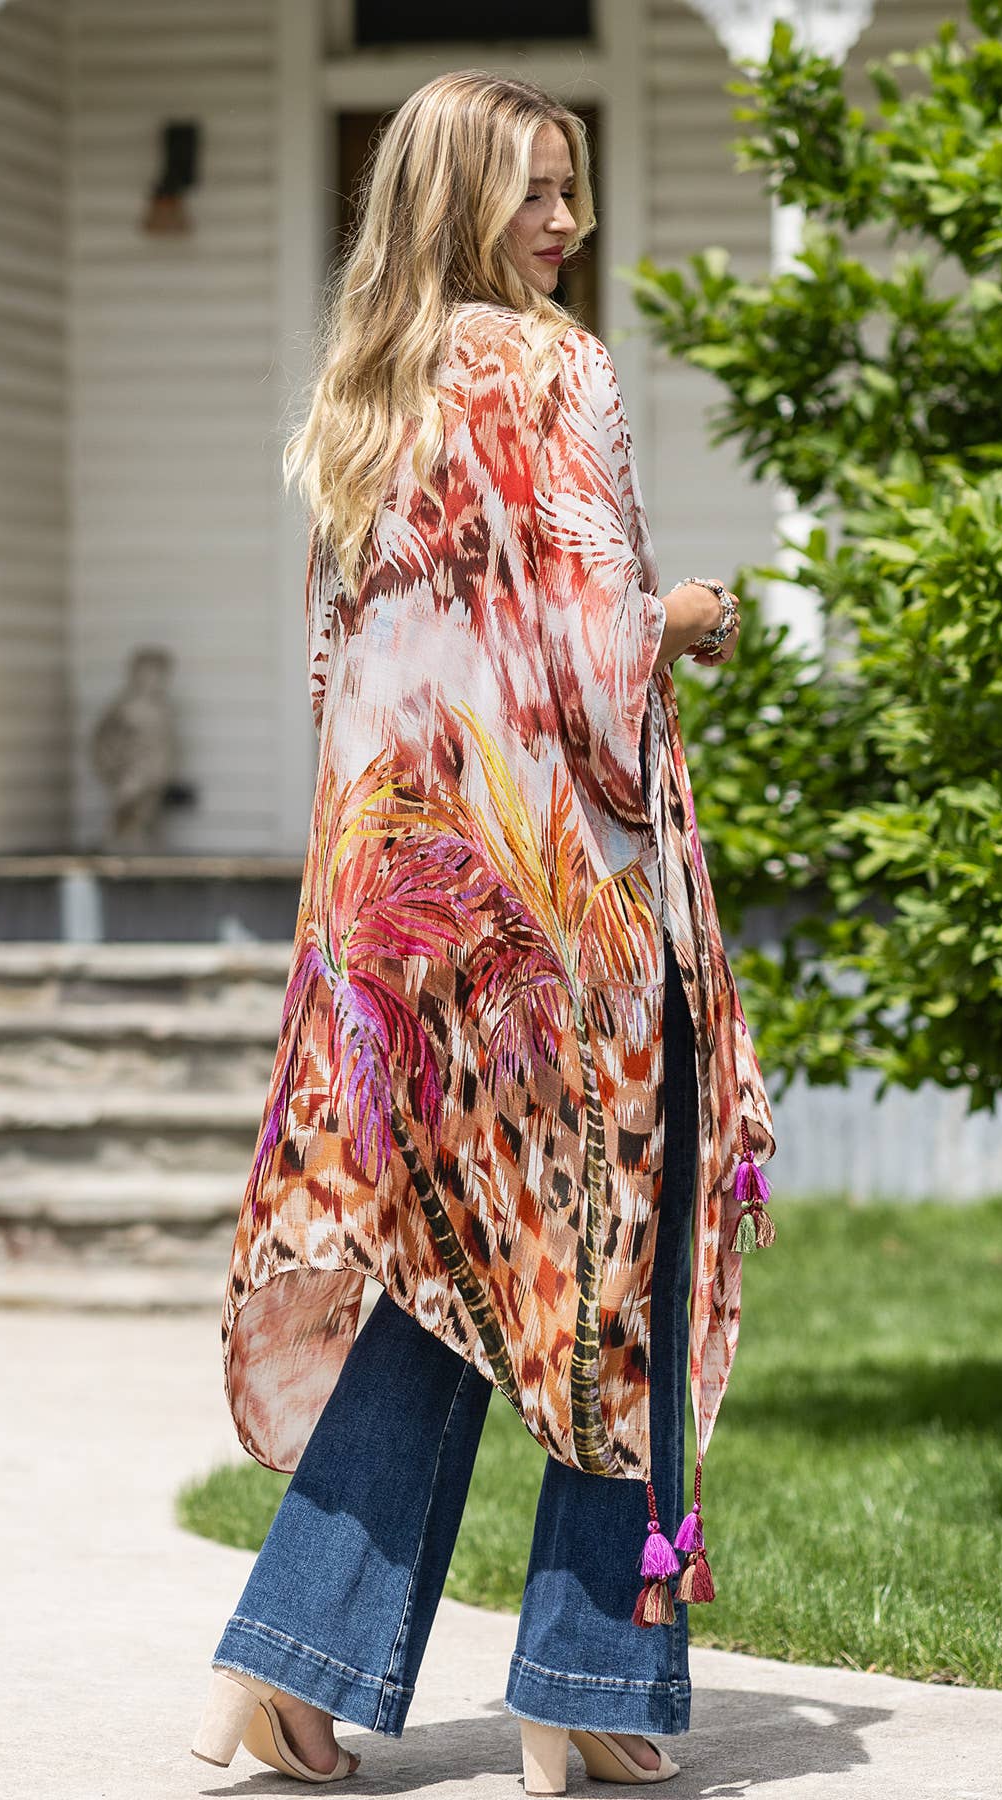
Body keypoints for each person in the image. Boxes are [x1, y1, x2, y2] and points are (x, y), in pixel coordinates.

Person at [190, 69, 775, 1794]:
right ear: (457, 199)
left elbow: (342, 690)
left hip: (404, 942)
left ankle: (287, 1671)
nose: (566, 223)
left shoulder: (362, 399)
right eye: (535, 190)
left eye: (574, 185)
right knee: (611, 1276)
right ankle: (584, 1687)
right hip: (567, 922)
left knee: (452, 1290)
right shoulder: (557, 370)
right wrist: (690, 618)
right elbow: (597, 670)